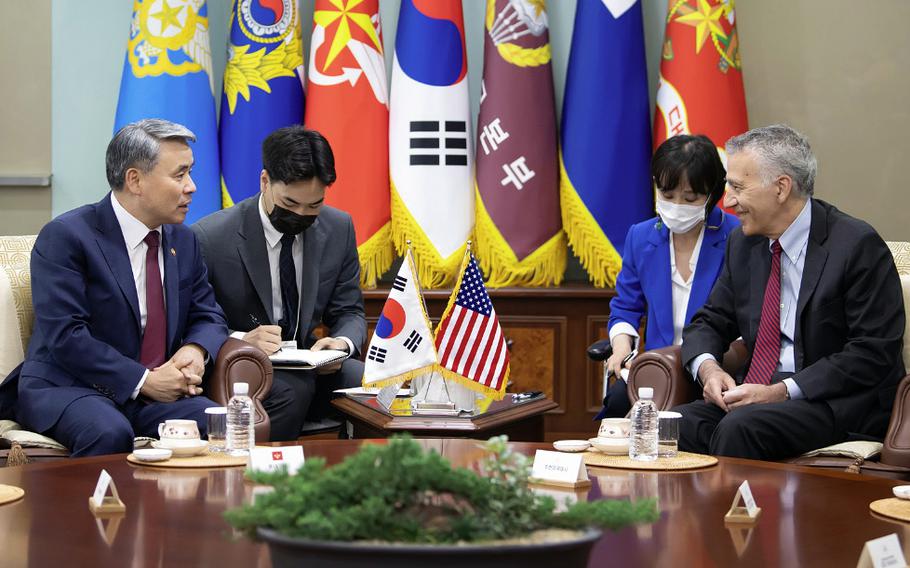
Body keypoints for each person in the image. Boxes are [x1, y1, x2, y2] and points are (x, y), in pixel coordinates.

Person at [675, 124, 905, 460]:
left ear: (781, 188)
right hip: (753, 394)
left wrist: (782, 392)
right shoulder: (743, 243)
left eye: (738, 187)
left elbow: (872, 352)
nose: (729, 201)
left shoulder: (856, 245)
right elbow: (710, 320)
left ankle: (738, 514)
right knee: (672, 425)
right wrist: (709, 369)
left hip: (832, 401)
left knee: (741, 428)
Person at [0, 119, 227, 456]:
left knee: (228, 422)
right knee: (109, 432)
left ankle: (193, 511)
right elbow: (66, 335)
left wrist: (195, 350)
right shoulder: (68, 236)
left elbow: (208, 314)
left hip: (153, 393)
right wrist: (144, 381)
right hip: (71, 386)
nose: (192, 186)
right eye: (179, 175)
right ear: (135, 180)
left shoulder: (183, 239)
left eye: (190, 173)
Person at [192, 126, 366, 439]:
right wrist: (242, 339)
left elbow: (350, 311)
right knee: (292, 391)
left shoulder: (338, 228)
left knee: (370, 382)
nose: (301, 214)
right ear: (265, 181)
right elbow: (195, 320)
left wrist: (340, 345)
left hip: (310, 361)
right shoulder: (212, 237)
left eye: (313, 206)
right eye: (290, 203)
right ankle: (265, 479)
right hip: (243, 364)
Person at [596, 134, 739, 419]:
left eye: (690, 198)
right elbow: (626, 306)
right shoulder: (641, 236)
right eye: (667, 195)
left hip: (714, 371)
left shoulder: (737, 237)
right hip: (658, 371)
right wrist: (621, 347)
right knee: (615, 408)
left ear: (712, 195)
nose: (676, 206)